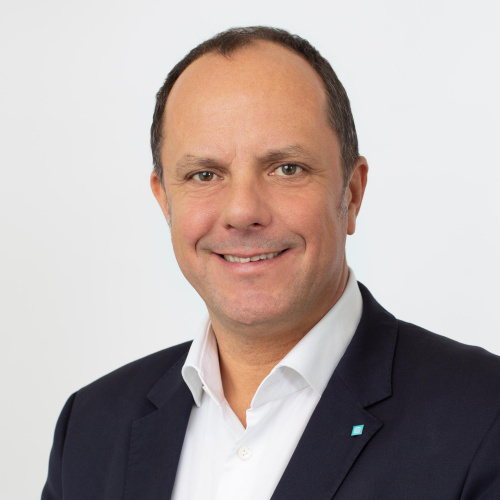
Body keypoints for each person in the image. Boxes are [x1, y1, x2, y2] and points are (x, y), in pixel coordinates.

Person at [42, 27, 500, 500]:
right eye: (204, 174)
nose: (243, 212)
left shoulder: (485, 417)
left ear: (352, 193)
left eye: (287, 168)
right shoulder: (90, 429)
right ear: (165, 201)